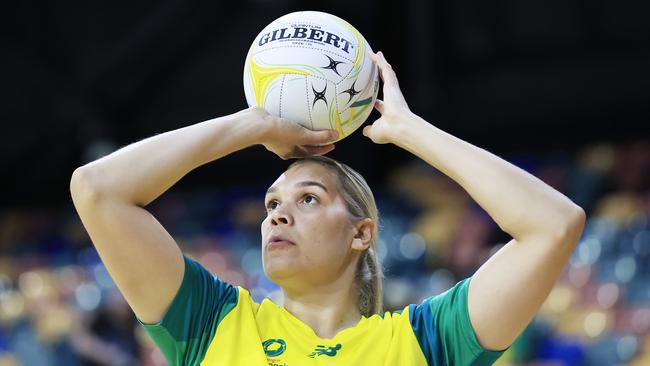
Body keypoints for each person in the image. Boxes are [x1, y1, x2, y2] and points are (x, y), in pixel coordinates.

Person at [70, 51, 585, 365]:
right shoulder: (211, 321)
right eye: (272, 202)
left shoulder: (425, 341)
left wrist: (412, 132)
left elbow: (554, 225)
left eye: (308, 198)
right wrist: (254, 125)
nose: (276, 214)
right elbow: (98, 190)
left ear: (362, 233)